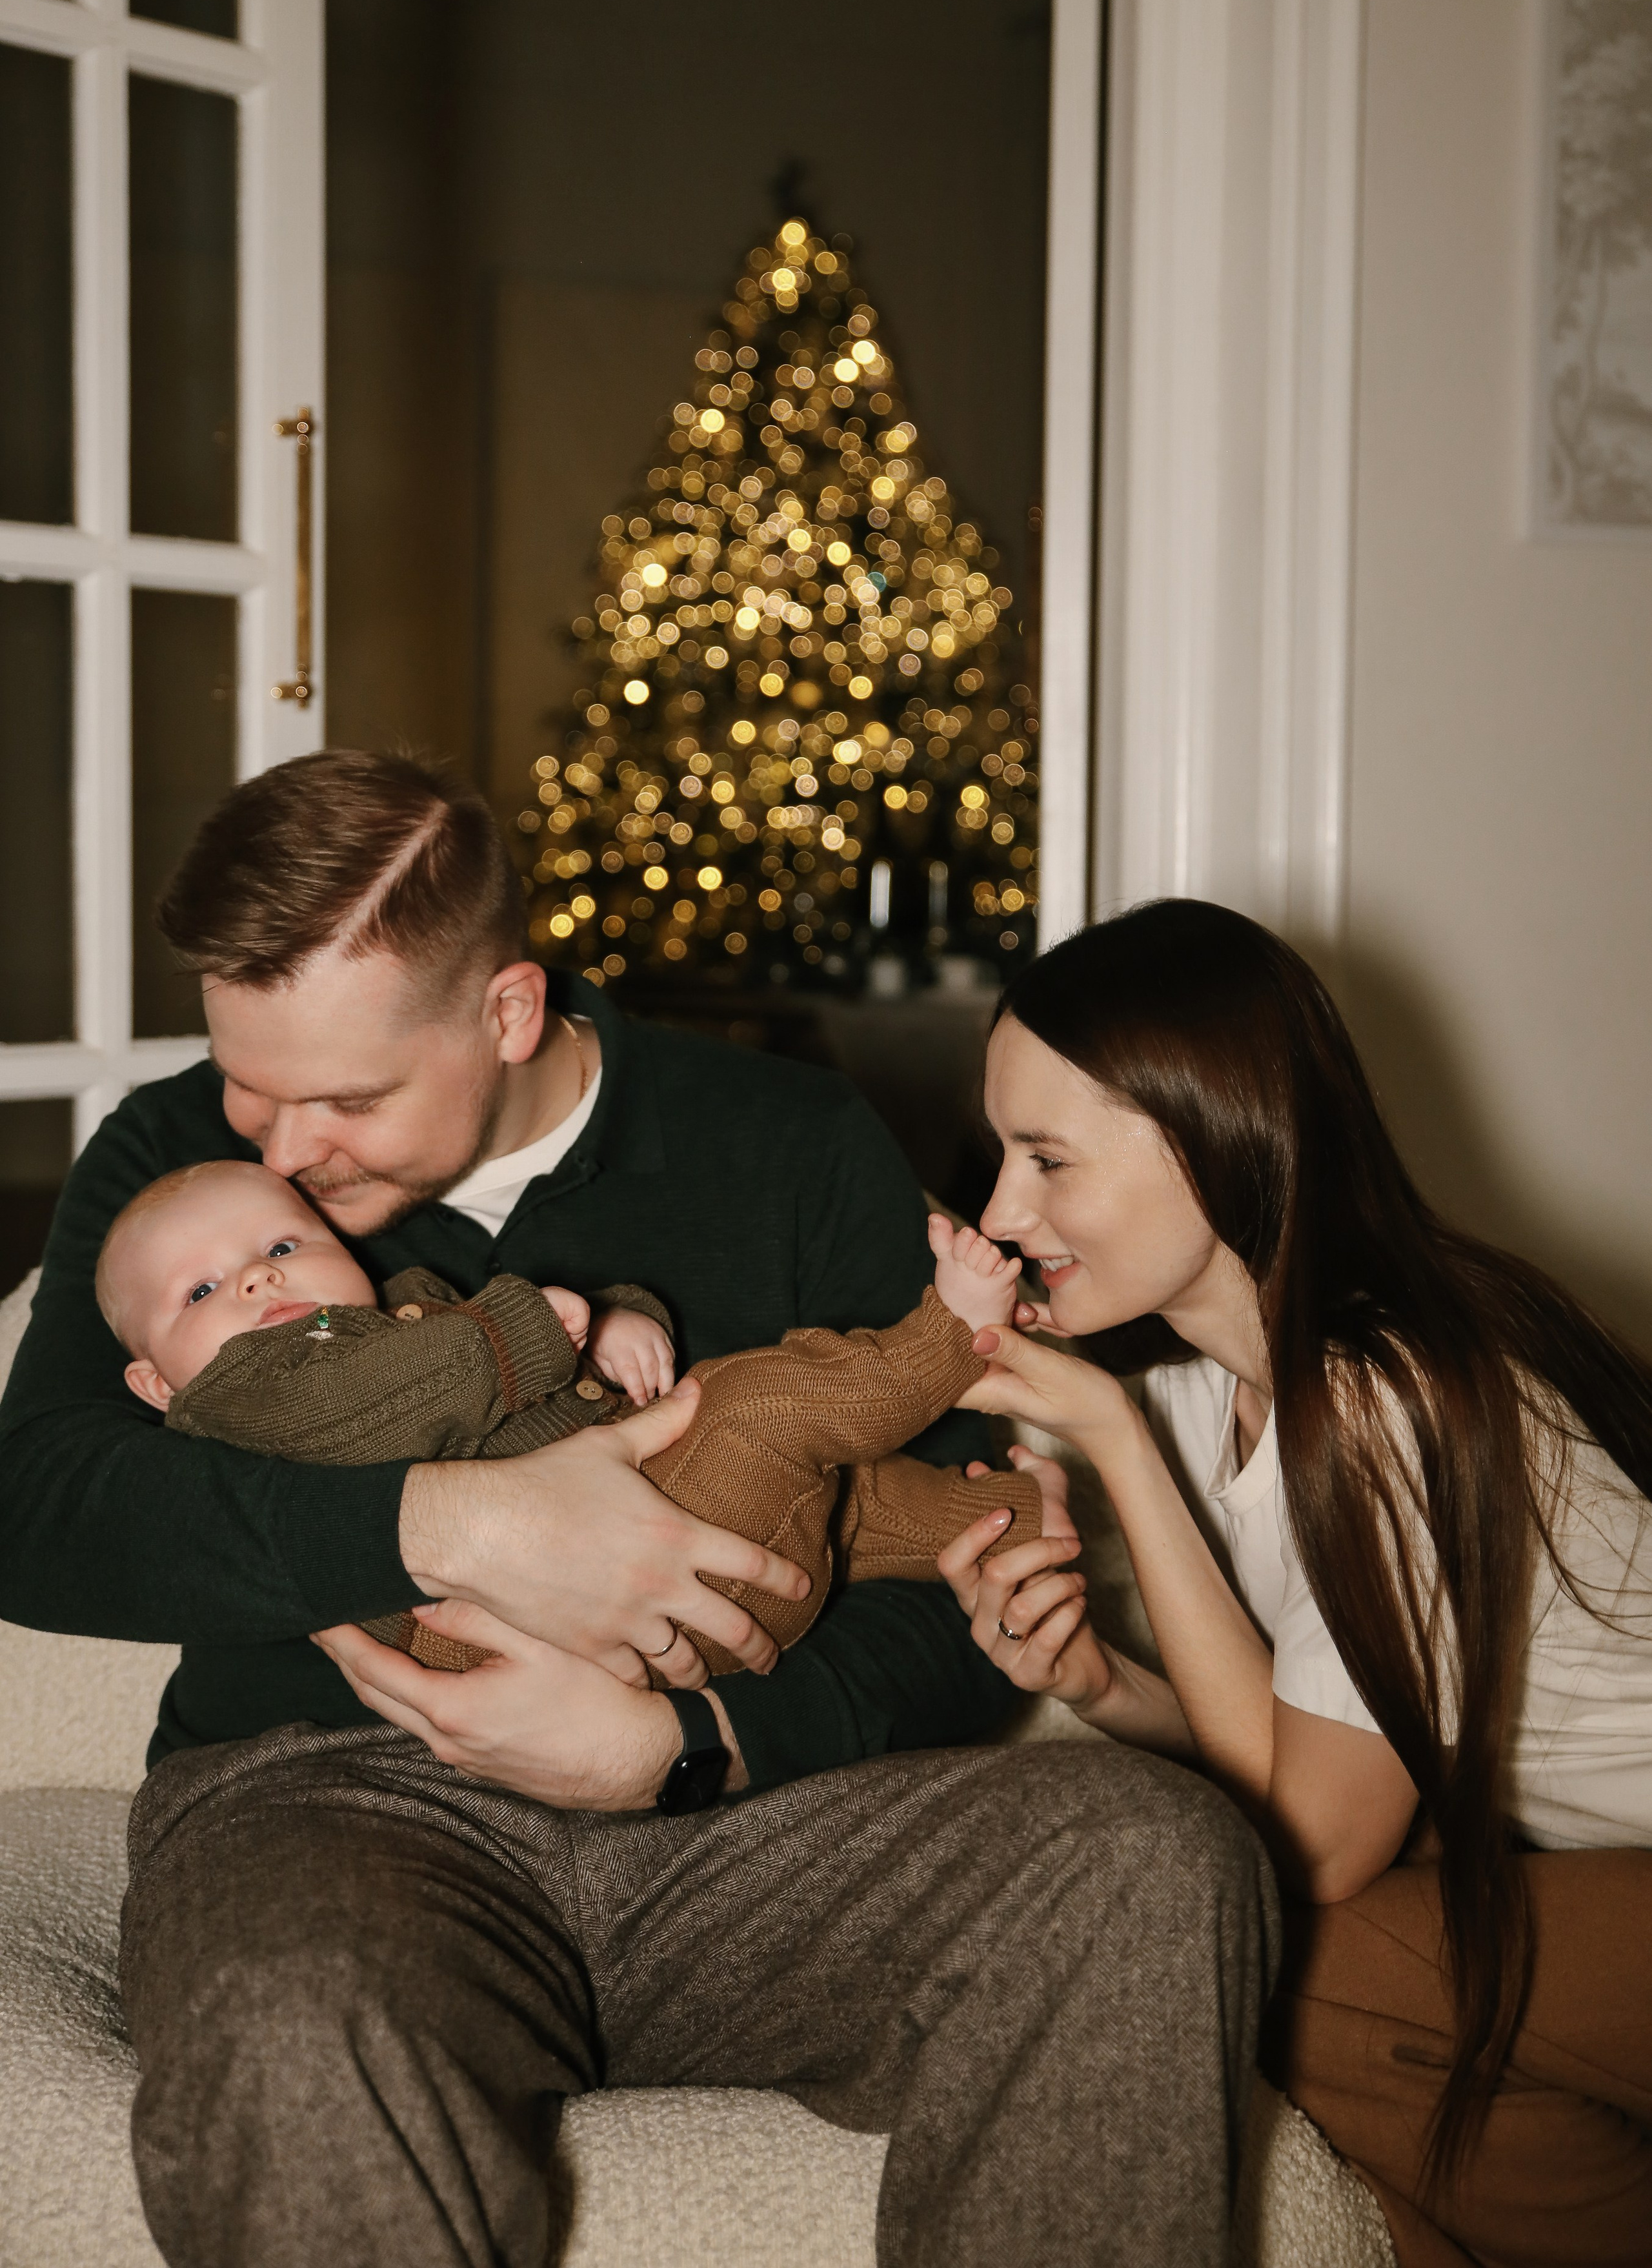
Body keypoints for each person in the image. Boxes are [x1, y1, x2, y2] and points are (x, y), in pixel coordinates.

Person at [0, 753, 1278, 2268]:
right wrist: (460, 1525)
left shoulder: (786, 1138)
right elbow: (38, 1507)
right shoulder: (172, 1160)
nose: (277, 1151)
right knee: (294, 2023)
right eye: (248, 1083)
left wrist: (689, 1744)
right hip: (334, 1811)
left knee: (1147, 1856)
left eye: (346, 1099)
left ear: (507, 1011)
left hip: (754, 1826)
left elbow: (954, 1566)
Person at [936, 899, 1652, 2268]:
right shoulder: (1220, 1399)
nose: (1001, 1214)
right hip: (1588, 1865)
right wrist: (1103, 1683)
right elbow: (1305, 1754)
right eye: (1000, 1155)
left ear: (1211, 1135)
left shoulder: (1391, 1394)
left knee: (1296, 1969)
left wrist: (1111, 1444)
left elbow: (1312, 1849)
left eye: (1047, 1160)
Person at [95, 1155, 1042, 1673]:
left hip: (687, 1546)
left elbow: (503, 1366)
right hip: (584, 1629)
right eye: (202, 1290)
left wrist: (610, 1322)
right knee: (760, 1404)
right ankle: (946, 1338)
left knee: (858, 1498)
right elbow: (374, 1400)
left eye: (282, 1247)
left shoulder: (417, 1304)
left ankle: (1013, 1522)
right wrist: (532, 1327)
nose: (258, 1280)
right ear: (157, 1387)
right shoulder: (245, 1398)